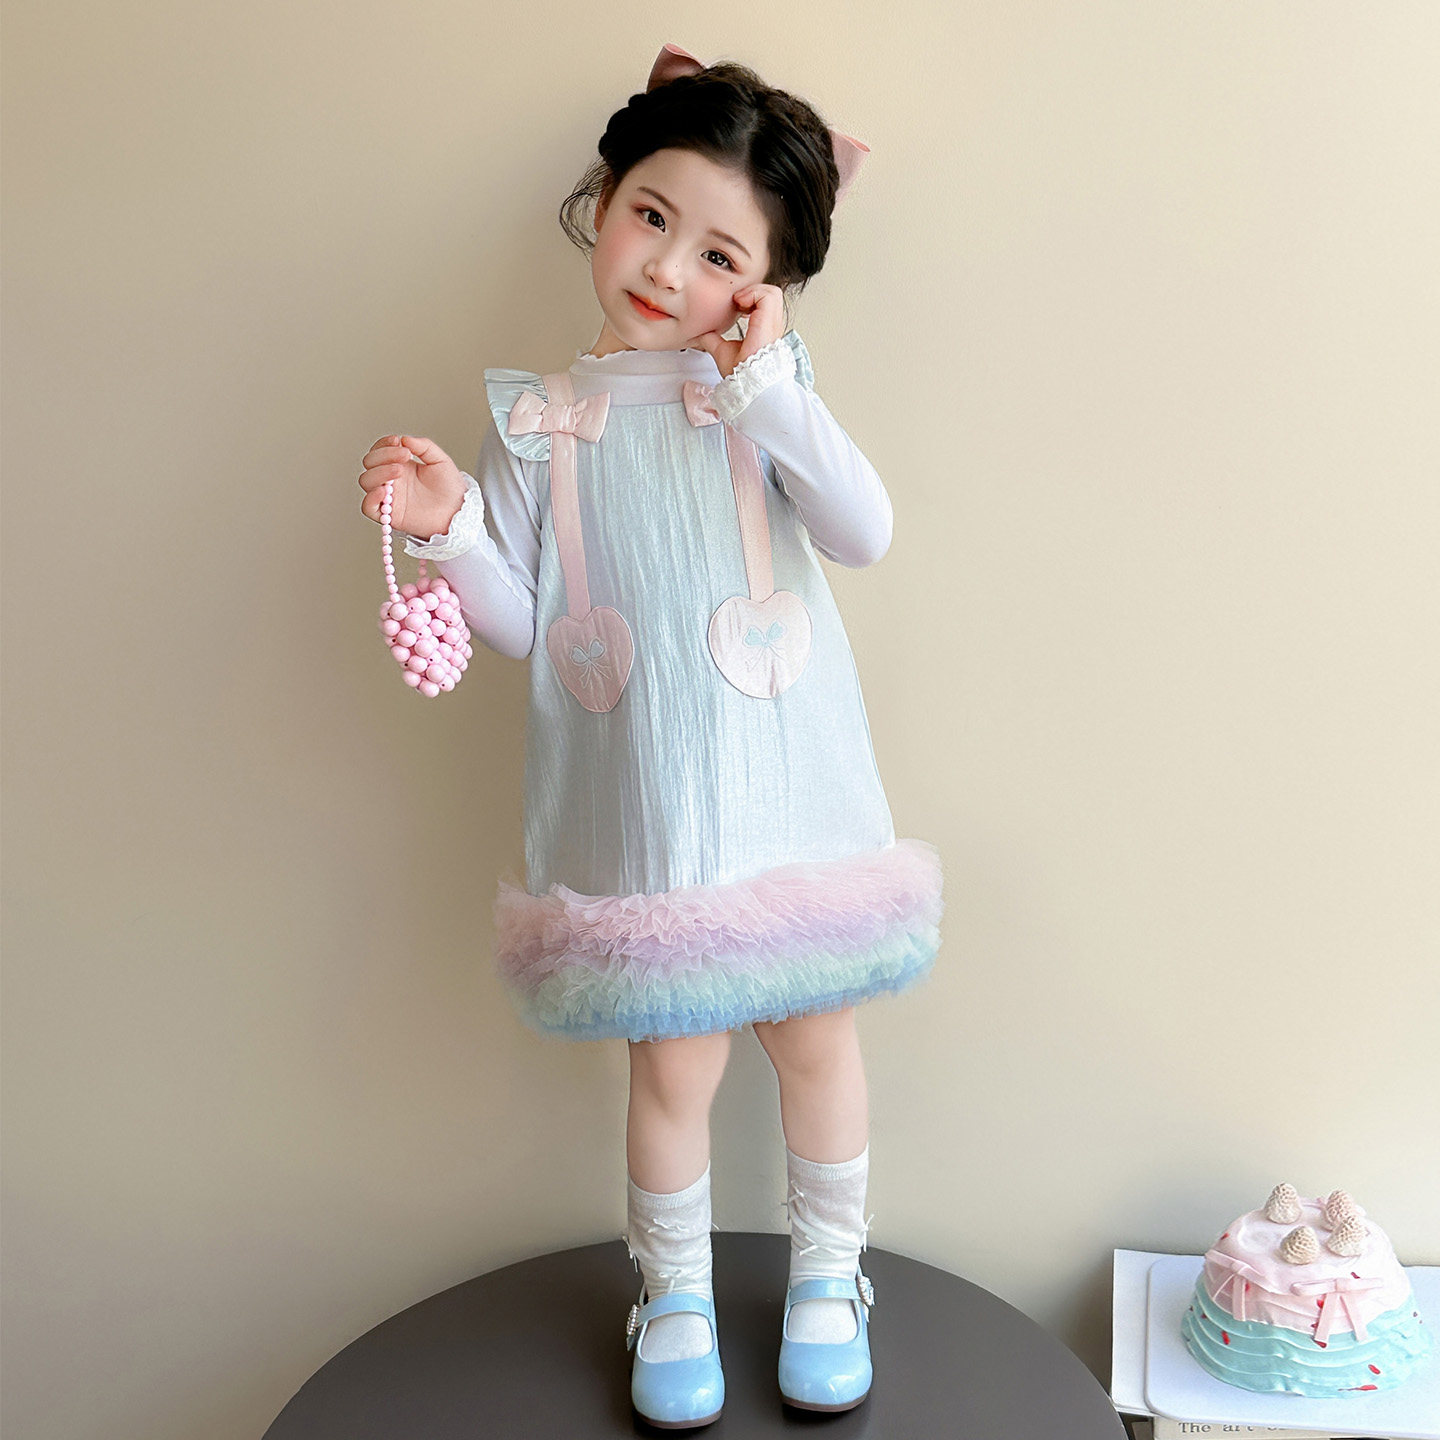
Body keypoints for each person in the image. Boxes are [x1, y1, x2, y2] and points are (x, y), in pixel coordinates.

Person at [357, 41, 944, 1430]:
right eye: (651, 216)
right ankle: (672, 1293)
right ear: (605, 199)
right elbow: (525, 622)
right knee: (672, 1063)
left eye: (719, 254)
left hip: (790, 796)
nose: (668, 269)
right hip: (650, 805)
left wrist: (769, 382)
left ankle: (830, 1274)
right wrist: (449, 529)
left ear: (765, 286)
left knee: (815, 1039)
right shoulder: (541, 418)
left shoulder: (760, 397)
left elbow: (864, 531)